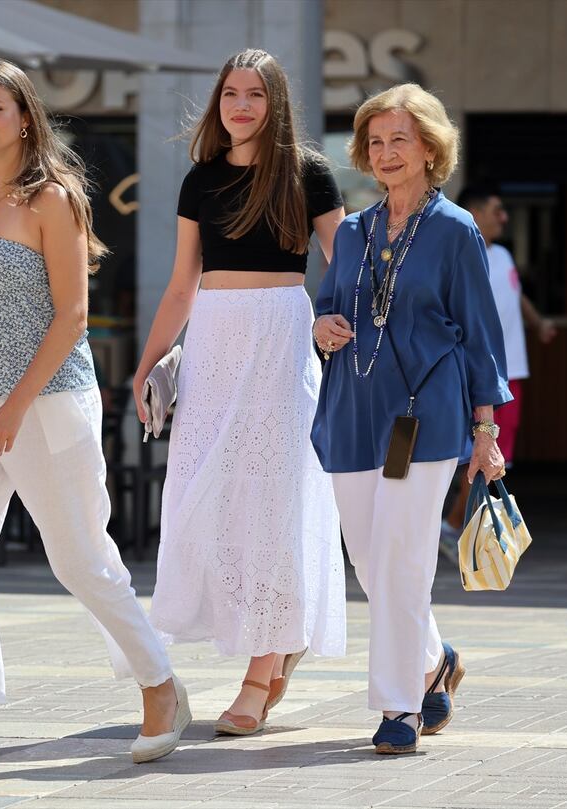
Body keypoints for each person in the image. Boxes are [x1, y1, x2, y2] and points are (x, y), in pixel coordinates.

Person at [0, 59, 189, 777]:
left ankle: (160, 685)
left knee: (80, 558)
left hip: (49, 400)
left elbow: (72, 317)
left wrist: (14, 406)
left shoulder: (52, 199)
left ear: (25, 117)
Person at [133, 48, 348, 737]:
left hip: (282, 344)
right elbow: (180, 283)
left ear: (275, 102)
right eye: (231, 93)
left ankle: (262, 669)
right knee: (212, 498)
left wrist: (327, 317)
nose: (242, 105)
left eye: (256, 94)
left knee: (275, 502)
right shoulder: (199, 179)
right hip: (214, 344)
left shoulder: (309, 173)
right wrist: (147, 365)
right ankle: (275, 636)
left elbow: (345, 265)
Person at [311, 83, 511, 754]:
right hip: (353, 410)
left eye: (401, 139)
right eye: (376, 141)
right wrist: (324, 327)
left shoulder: (455, 230)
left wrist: (487, 431)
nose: (387, 152)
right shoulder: (356, 233)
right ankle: (434, 656)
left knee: (400, 555)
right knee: (370, 560)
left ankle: (399, 707)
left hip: (422, 416)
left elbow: (481, 334)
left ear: (428, 148)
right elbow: (328, 307)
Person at [438, 185, 557, 562]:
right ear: (474, 210)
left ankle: (461, 530)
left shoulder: (503, 254)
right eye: (496, 209)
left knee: (497, 455)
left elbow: (515, 297)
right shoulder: (461, 251)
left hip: (512, 371)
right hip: (479, 374)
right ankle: (454, 528)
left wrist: (538, 324)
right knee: (478, 452)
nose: (504, 217)